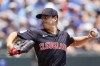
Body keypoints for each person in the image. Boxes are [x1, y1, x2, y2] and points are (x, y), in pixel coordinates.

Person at [7, 8, 98, 66]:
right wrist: (9, 45)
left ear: (55, 18)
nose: (43, 20)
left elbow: (74, 41)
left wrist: (88, 37)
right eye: (42, 18)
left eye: (45, 17)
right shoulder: (37, 33)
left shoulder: (64, 35)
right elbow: (15, 34)